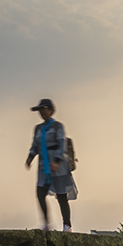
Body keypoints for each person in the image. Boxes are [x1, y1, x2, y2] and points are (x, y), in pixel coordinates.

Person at [25, 98, 77, 232]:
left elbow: (61, 145)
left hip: (58, 166)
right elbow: (35, 145)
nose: (42, 112)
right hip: (44, 167)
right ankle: (47, 223)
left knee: (61, 196)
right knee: (40, 192)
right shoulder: (38, 129)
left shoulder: (57, 126)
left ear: (51, 110)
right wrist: (30, 157)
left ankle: (67, 225)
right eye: (40, 110)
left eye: (44, 109)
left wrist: (57, 161)